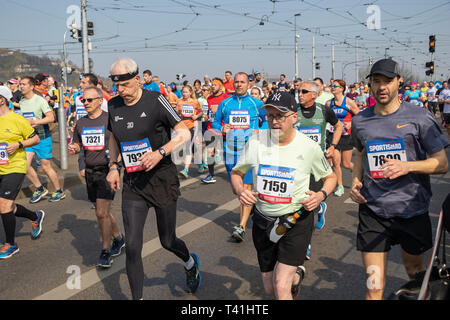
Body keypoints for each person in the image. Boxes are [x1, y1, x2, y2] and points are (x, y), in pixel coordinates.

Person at [350, 58, 449, 300]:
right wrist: (355, 181)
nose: (381, 87)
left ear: (399, 82)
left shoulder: (420, 117)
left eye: (387, 81)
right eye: (376, 82)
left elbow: (442, 164)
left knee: (415, 275)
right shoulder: (360, 120)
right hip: (373, 210)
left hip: (411, 210)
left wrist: (407, 166)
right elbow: (359, 153)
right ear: (370, 85)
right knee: (374, 285)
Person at [106, 58, 201, 299]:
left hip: (161, 180)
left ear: (138, 80)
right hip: (133, 184)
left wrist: (161, 152)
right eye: (117, 86)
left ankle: (189, 262)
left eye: (126, 85)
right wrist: (114, 165)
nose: (121, 91)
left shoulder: (156, 100)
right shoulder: (114, 105)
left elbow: (183, 131)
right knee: (133, 247)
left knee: (167, 240)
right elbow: (114, 138)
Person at [231, 91, 336, 299]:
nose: (274, 121)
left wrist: (320, 195)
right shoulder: (256, 142)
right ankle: (296, 275)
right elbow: (237, 173)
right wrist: (241, 190)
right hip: (263, 221)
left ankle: (290, 277)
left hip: (296, 220)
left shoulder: (309, 147)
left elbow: (330, 177)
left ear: (294, 117)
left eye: (280, 116)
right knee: (270, 288)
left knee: (280, 286)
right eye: (270, 116)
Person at [68, 86, 125, 268]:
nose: (85, 103)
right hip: (91, 172)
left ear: (100, 100)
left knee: (101, 212)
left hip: (107, 170)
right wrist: (75, 150)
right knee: (103, 213)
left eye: (89, 100)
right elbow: (78, 144)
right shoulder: (81, 123)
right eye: (83, 100)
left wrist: (116, 167)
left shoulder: (110, 120)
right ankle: (119, 238)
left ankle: (105, 251)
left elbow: (121, 144)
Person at [212, 72, 267, 242]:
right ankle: (253, 208)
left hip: (249, 151)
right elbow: (215, 122)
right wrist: (222, 128)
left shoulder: (256, 103)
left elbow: (267, 120)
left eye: (242, 82)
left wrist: (261, 129)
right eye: (236, 82)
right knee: (237, 189)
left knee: (247, 188)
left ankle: (241, 226)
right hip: (230, 151)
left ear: (248, 84)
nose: (239, 85)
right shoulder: (225, 103)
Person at [0, 86, 44, 259]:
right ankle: (35, 216)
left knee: (3, 205)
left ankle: (11, 244)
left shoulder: (17, 120)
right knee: (6, 206)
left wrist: (18, 145)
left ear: (2, 99)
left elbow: (35, 138)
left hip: (15, 167)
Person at [295, 81, 343, 231]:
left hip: (317, 161)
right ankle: (303, 239)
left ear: (314, 95)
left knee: (311, 198)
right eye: (299, 91)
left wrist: (333, 145)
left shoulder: (323, 110)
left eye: (304, 92)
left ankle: (319, 208)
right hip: (297, 160)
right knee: (300, 199)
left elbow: (338, 126)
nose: (299, 94)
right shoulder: (293, 111)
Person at [19, 76, 65, 203]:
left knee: (46, 166)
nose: (21, 86)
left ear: (31, 86)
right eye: (20, 84)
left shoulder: (40, 100)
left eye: (23, 84)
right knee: (24, 165)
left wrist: (36, 122)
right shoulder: (22, 101)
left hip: (42, 137)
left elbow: (51, 118)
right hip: (29, 139)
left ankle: (58, 191)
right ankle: (39, 188)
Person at [326, 79, 360, 197]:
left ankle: (357, 171)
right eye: (331, 86)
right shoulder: (328, 103)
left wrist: (351, 123)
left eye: (335, 86)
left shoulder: (348, 102)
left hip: (346, 135)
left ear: (341, 88)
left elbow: (359, 116)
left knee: (346, 164)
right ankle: (340, 186)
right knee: (336, 162)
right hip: (333, 135)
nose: (332, 87)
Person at [201, 78, 228, 184]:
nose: (213, 86)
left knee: (228, 152)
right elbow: (209, 112)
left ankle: (235, 172)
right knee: (210, 152)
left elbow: (230, 112)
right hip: (211, 128)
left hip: (223, 128)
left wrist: (219, 111)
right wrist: (207, 116)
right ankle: (211, 174)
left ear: (221, 86)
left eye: (215, 85)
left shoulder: (226, 98)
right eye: (212, 85)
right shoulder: (210, 98)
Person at [176, 85, 202, 179]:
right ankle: (200, 163)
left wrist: (197, 116)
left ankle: (186, 170)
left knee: (189, 146)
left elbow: (201, 112)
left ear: (190, 93)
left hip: (193, 126)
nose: (185, 94)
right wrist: (179, 111)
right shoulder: (180, 101)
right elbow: (177, 113)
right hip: (183, 126)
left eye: (186, 92)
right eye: (183, 92)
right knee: (193, 147)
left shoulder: (194, 102)